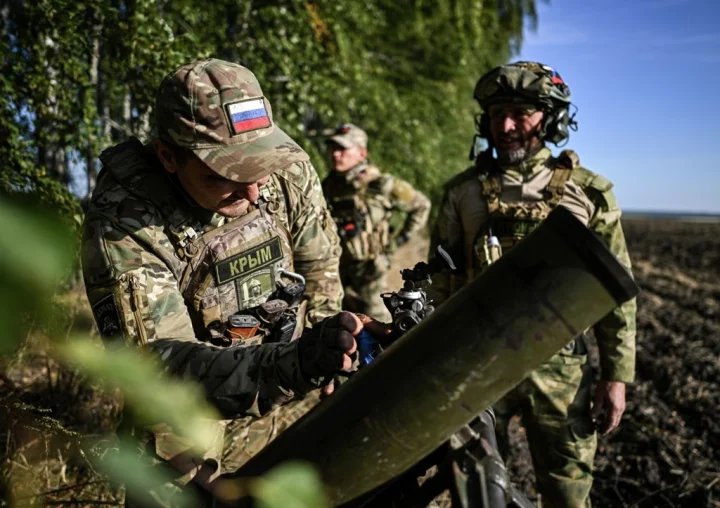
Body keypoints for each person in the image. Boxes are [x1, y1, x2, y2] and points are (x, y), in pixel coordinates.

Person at [81, 58, 361, 504]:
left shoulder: (285, 169)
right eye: (225, 175)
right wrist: (301, 364)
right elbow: (160, 368)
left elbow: (321, 265)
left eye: (259, 168)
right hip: (186, 435)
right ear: (168, 157)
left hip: (287, 399)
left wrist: (333, 345)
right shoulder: (127, 219)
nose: (252, 192)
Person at [428, 61, 637, 507]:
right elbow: (440, 285)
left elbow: (617, 294)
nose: (505, 126)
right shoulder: (462, 194)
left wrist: (616, 377)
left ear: (550, 117)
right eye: (498, 113)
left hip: (561, 369)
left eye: (521, 114)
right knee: (480, 491)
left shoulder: (590, 195)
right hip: (478, 366)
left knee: (567, 489)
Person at [322, 123, 431, 320]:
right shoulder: (328, 186)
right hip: (337, 272)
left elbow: (421, 205)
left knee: (378, 326)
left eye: (343, 148)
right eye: (333, 148)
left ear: (362, 153)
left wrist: (397, 242)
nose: (336, 154)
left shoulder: (381, 184)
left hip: (370, 274)